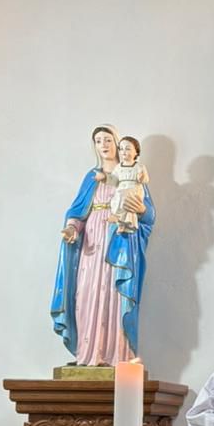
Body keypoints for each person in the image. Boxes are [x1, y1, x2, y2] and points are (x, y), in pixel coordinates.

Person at [51, 125, 155, 366]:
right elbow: (77, 211)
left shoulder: (130, 173)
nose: (104, 145)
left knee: (115, 294)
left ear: (117, 143)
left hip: (119, 240)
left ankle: (117, 356)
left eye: (108, 139)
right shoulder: (92, 177)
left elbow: (149, 215)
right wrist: (72, 228)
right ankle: (88, 354)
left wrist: (140, 209)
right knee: (87, 293)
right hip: (92, 242)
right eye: (98, 141)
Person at [108, 136, 149, 234]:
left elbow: (145, 180)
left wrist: (141, 177)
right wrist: (104, 178)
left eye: (127, 149)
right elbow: (113, 181)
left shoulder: (139, 166)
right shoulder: (118, 167)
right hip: (121, 188)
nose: (123, 152)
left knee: (127, 201)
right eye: (121, 149)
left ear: (136, 152)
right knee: (117, 200)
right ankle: (121, 223)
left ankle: (127, 223)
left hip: (134, 189)